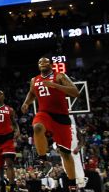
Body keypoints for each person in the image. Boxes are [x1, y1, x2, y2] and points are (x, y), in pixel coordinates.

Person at [21, 57, 80, 190]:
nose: (42, 63)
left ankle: (72, 185)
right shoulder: (34, 80)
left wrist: (55, 85)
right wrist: (26, 103)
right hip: (44, 114)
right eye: (39, 62)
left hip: (61, 117)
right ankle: (43, 160)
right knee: (37, 128)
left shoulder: (59, 76)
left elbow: (76, 92)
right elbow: (31, 93)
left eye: (45, 62)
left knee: (65, 153)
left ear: (51, 65)